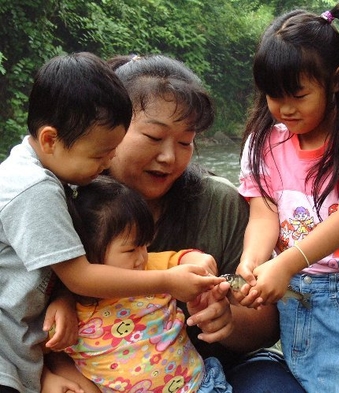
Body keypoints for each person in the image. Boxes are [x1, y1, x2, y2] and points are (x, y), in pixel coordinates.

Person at [0, 52, 222, 393]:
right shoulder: (35, 189)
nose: (108, 162)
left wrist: (62, 299)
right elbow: (81, 277)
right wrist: (167, 280)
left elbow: (63, 271)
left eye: (185, 142)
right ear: (50, 139)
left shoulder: (46, 171)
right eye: (99, 154)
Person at [107, 54, 304, 391]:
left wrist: (229, 321)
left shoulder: (219, 202)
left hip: (217, 372)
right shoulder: (75, 201)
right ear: (109, 129)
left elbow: (268, 323)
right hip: (106, 371)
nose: (170, 157)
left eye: (185, 142)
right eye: (154, 137)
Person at [236, 4, 339, 392]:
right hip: (297, 297)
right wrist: (253, 261)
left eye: (298, 95)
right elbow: (263, 213)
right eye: (273, 95)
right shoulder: (263, 143)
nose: (284, 108)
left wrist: (285, 264)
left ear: (335, 81)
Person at [61, 175, 232, 392]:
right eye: (131, 249)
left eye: (145, 245)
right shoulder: (69, 310)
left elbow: (187, 258)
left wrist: (202, 263)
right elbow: (41, 349)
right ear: (86, 252)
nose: (142, 257)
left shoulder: (150, 267)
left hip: (199, 385)